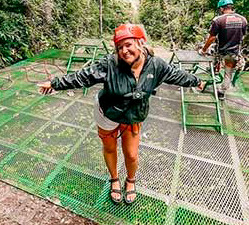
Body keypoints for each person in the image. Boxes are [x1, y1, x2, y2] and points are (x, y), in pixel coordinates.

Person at [39, 24, 204, 204]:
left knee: (132, 154)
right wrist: (55, 84)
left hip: (133, 115)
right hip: (107, 113)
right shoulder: (110, 64)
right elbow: (83, 76)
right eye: (119, 48)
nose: (124, 51)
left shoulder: (156, 65)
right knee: (110, 148)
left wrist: (198, 82)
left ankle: (131, 180)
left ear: (140, 43)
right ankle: (114, 179)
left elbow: (178, 75)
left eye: (128, 45)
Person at [199, 0, 248, 100]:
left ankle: (204, 84)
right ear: (231, 6)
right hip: (234, 52)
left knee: (212, 68)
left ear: (221, 8)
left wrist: (204, 50)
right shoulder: (243, 20)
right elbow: (243, 35)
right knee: (228, 73)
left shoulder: (219, 20)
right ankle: (222, 92)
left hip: (221, 52)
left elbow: (212, 37)